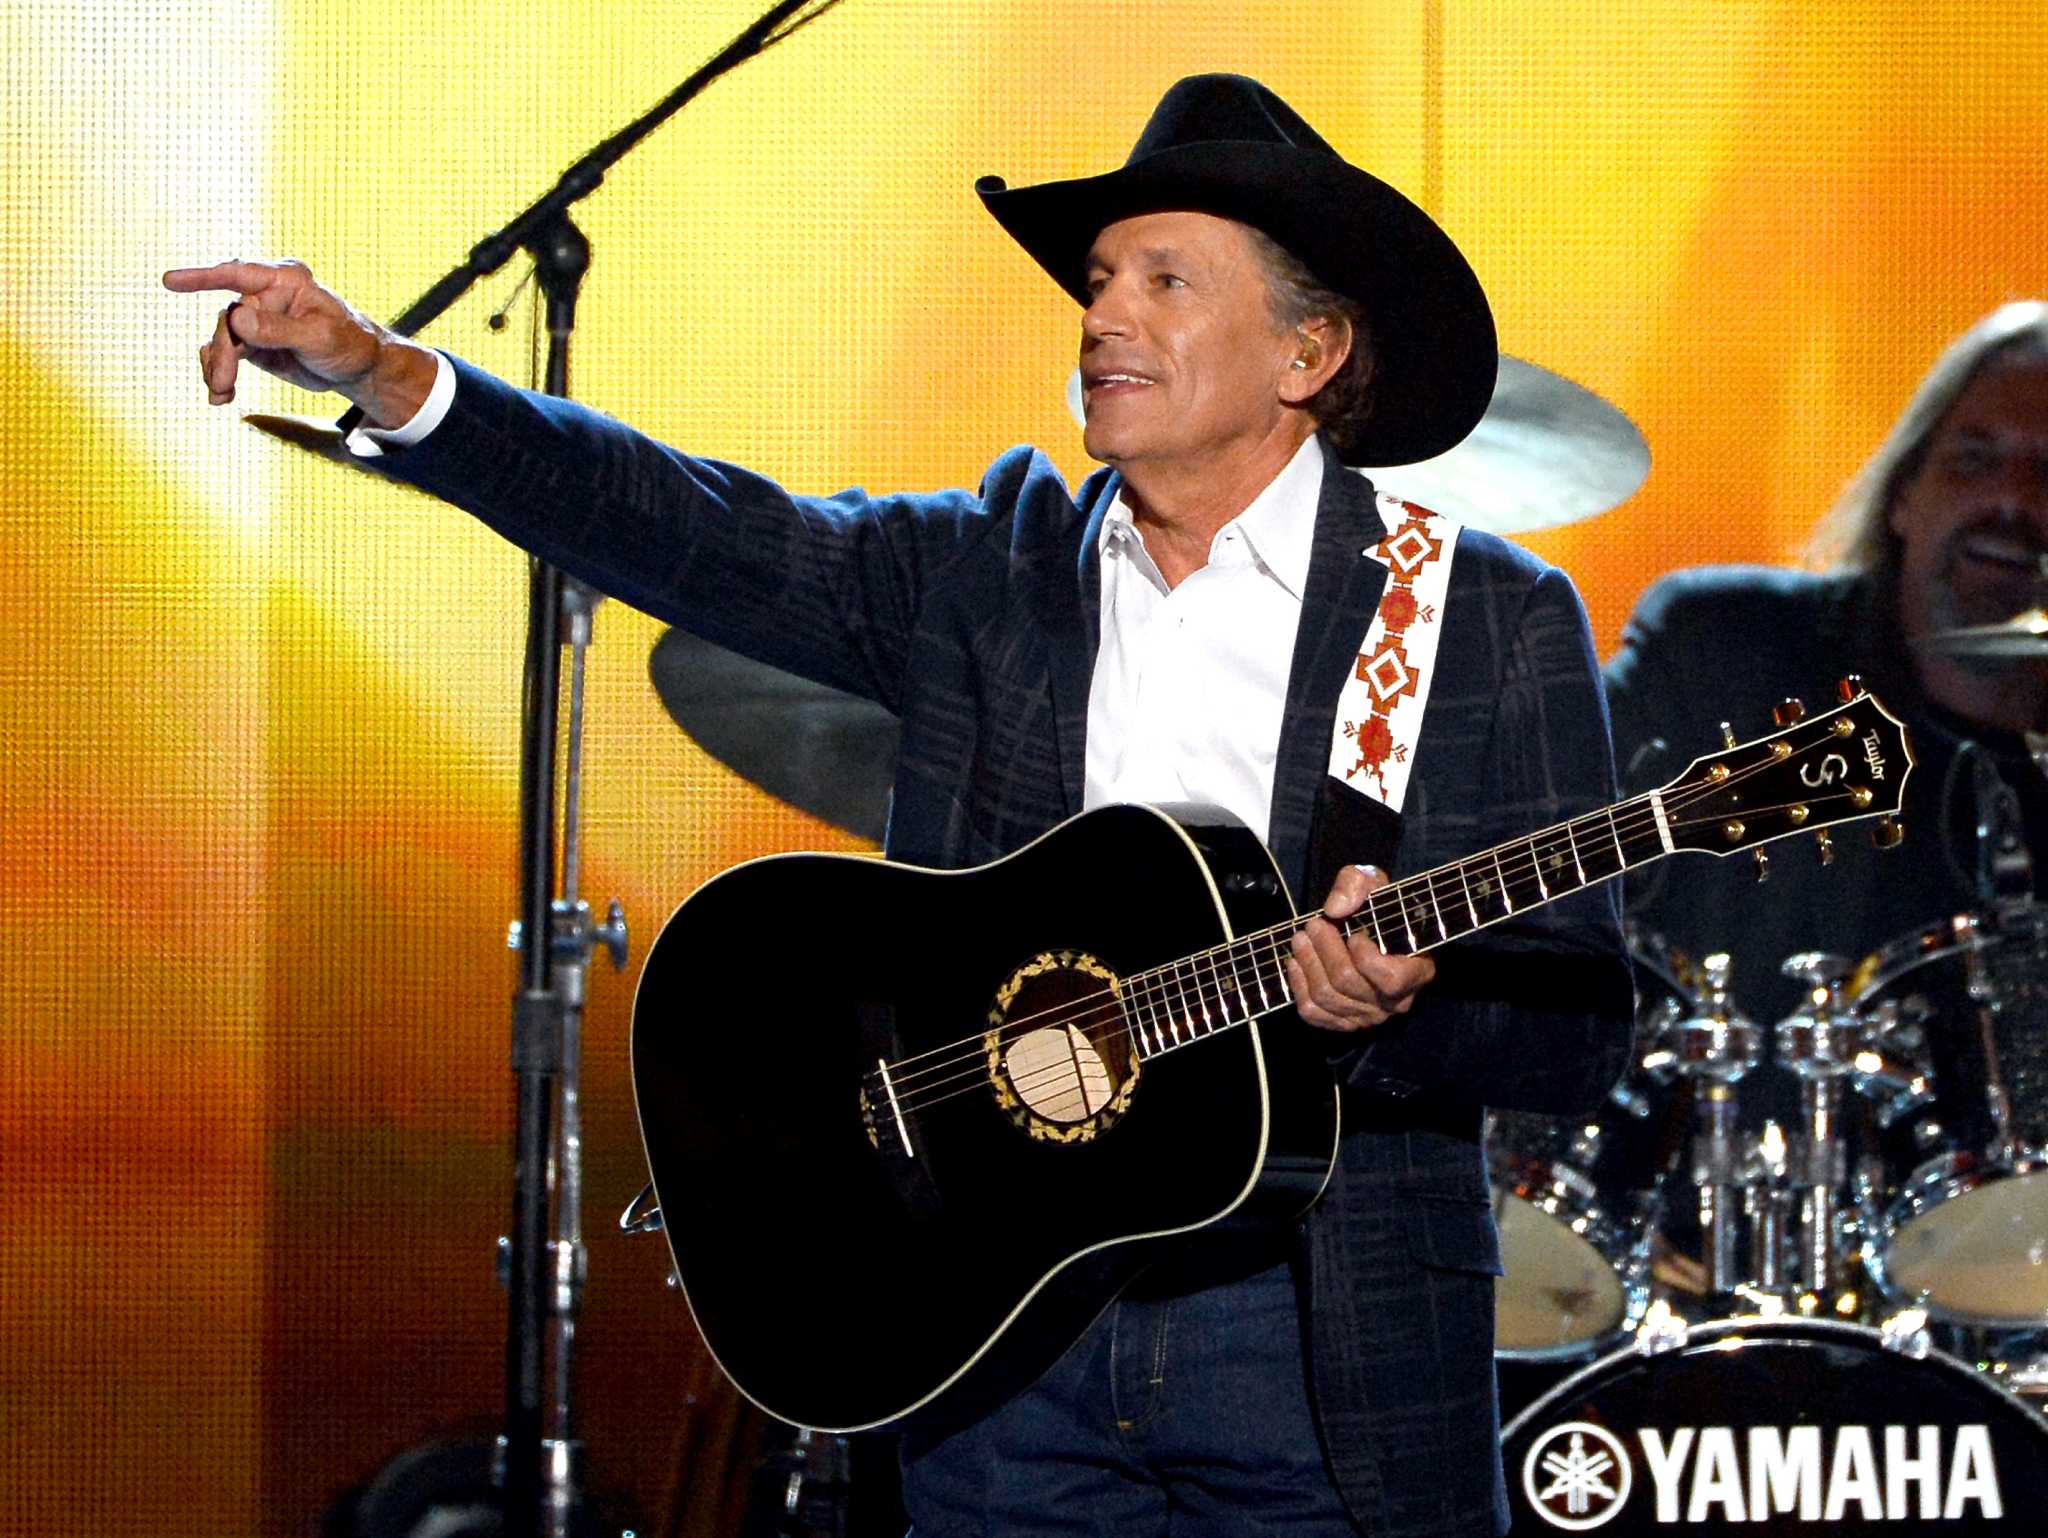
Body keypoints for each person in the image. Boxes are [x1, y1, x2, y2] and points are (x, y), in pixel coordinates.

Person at [169, 75, 1634, 1538]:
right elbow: (684, 526)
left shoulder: (1474, 617)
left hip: (1324, 1349)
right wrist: (385, 371)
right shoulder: (984, 574)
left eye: (1165, 281)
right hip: (997, 1344)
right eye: (1100, 281)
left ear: (1308, 350)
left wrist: (1393, 1011)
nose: (1104, 317)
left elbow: (1577, 1028)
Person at [1606, 303, 2048, 1029]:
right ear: (1905, 494)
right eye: (1975, 458)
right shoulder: (1721, 649)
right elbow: (1531, 829)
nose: (2012, 498)